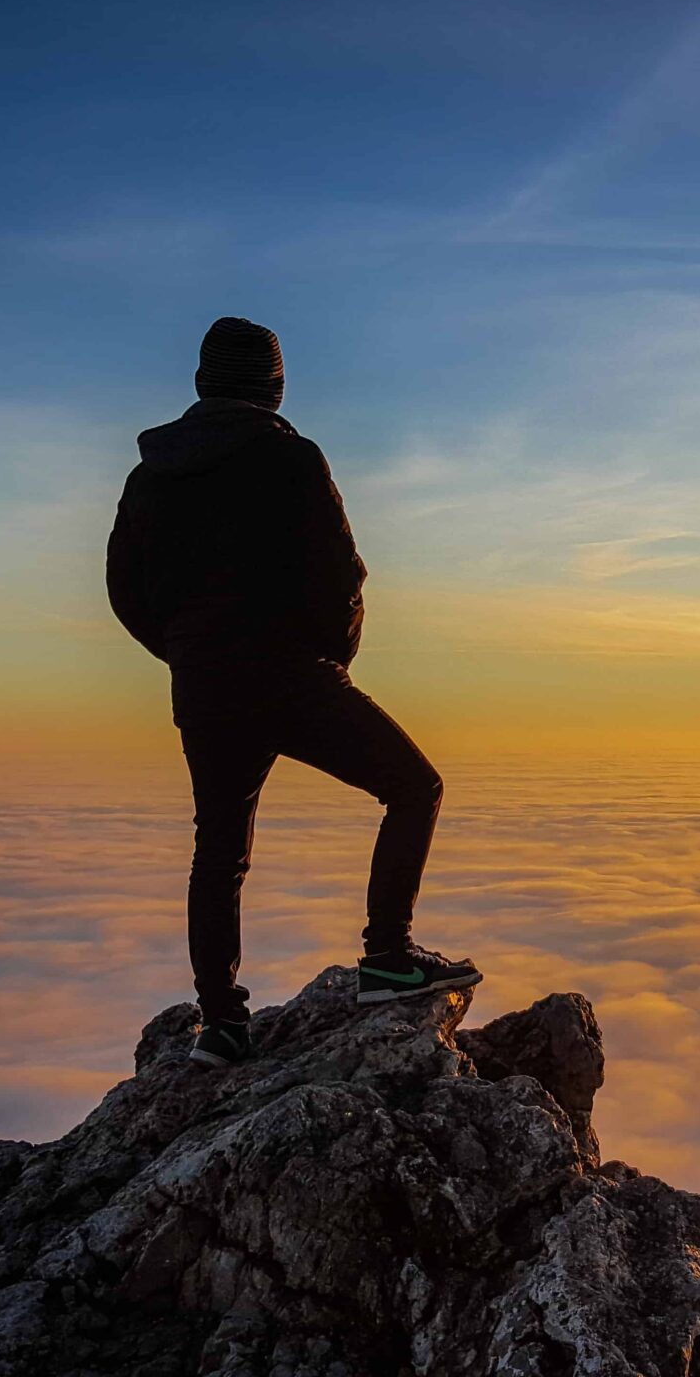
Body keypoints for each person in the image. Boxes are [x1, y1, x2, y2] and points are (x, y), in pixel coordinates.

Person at [107, 316, 479, 1068]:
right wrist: (329, 657)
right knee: (414, 787)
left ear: (204, 384)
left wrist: (185, 653)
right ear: (273, 386)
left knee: (219, 850)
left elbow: (125, 590)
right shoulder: (291, 459)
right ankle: (388, 959)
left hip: (205, 685)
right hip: (288, 674)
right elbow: (340, 576)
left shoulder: (152, 477)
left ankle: (222, 1027)